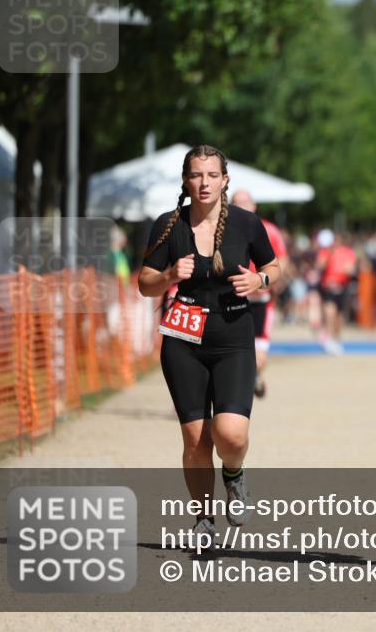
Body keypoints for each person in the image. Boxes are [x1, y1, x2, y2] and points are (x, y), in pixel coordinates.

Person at [138, 145, 281, 546]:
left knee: (230, 435)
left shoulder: (247, 224)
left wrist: (260, 282)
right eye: (196, 175)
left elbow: (275, 267)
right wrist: (167, 274)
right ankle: (203, 519)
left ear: (225, 180)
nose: (204, 183)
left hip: (234, 335)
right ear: (186, 180)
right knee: (196, 440)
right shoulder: (168, 225)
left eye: (212, 175)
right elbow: (144, 283)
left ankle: (234, 475)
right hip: (183, 338)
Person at [231, 189, 290, 398]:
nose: (241, 207)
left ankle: (253, 376)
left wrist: (271, 280)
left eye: (245, 202)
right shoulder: (222, 229)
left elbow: (281, 260)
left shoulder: (269, 230)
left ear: (254, 205)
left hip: (262, 301)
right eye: (236, 203)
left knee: (259, 355)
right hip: (233, 298)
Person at [315, 228, 357, 356]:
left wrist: (347, 270)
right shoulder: (325, 252)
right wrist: (328, 257)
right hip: (328, 287)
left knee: (339, 316)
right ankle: (329, 338)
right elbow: (319, 266)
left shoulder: (348, 252)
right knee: (330, 312)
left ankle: (337, 339)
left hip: (342, 287)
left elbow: (351, 269)